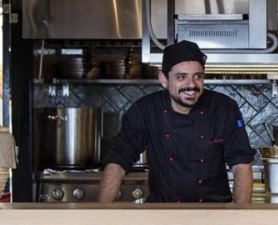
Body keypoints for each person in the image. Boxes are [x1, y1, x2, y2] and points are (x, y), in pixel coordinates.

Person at [98, 40, 255, 203]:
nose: (191, 85)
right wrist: (101, 214)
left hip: (213, 213)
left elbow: (241, 165)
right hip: (162, 215)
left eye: (198, 77)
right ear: (164, 80)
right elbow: (118, 161)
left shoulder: (224, 108)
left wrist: (239, 216)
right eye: (181, 77)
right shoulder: (146, 110)